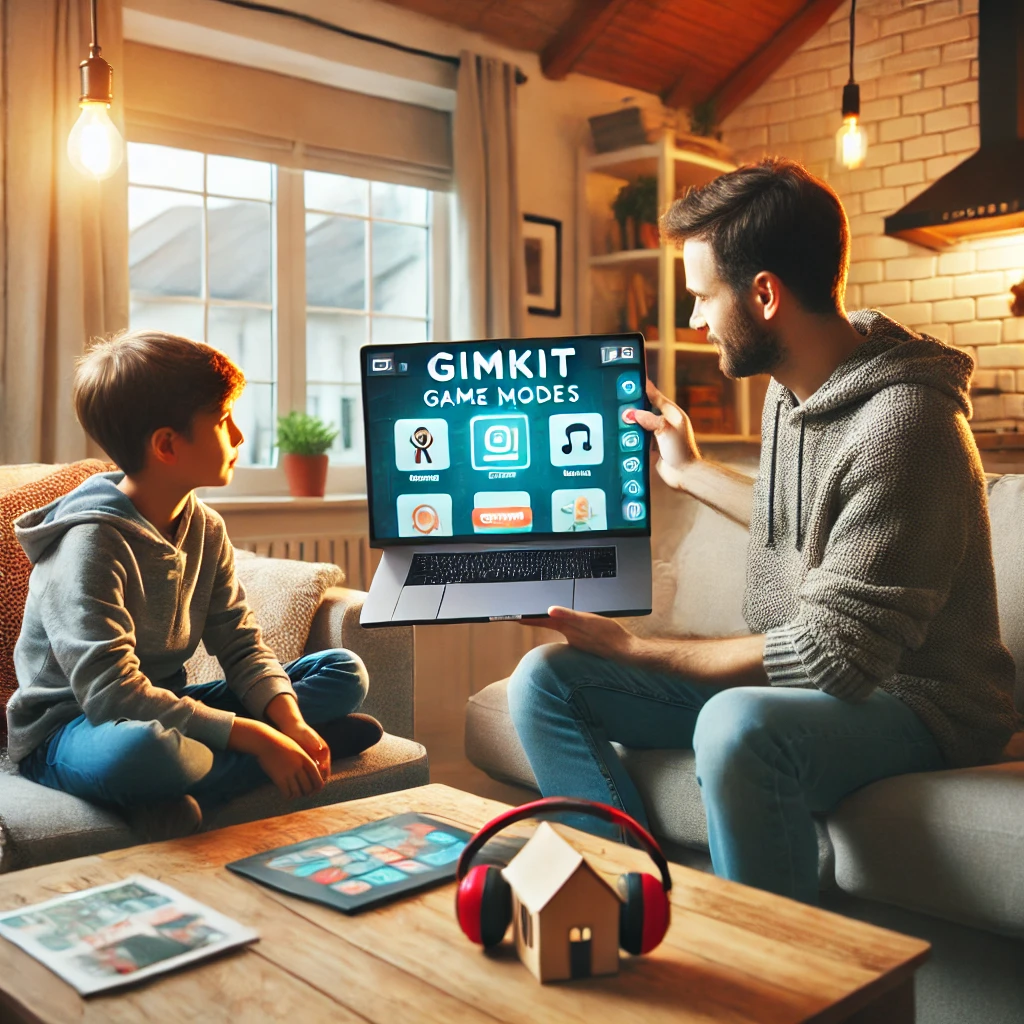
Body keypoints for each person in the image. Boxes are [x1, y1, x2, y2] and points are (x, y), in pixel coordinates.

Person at [507, 158, 1018, 904]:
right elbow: (810, 524)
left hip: (921, 702)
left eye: (702, 298)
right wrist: (688, 470)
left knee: (738, 724)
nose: (693, 322)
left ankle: (774, 983)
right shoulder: (794, 388)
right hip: (834, 679)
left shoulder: (908, 425)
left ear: (765, 294)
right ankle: (631, 894)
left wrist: (636, 646)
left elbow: (831, 657)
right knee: (545, 680)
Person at [7, 331, 382, 840]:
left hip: (166, 704)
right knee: (148, 753)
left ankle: (172, 792)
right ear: (166, 445)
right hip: (72, 730)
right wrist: (255, 738)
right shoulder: (89, 544)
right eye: (224, 421)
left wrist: (288, 723)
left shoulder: (204, 527)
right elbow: (112, 696)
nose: (240, 437)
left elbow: (241, 644)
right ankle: (208, 773)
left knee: (342, 671)